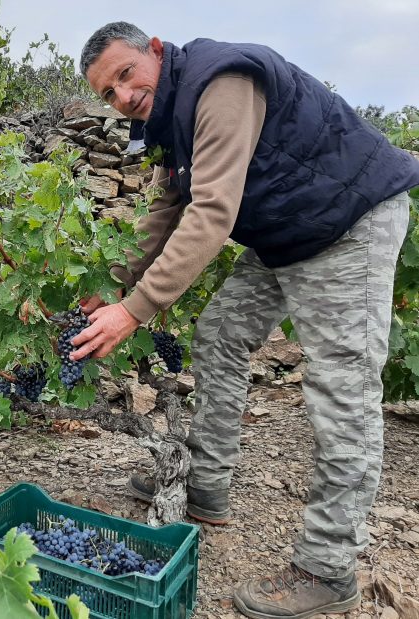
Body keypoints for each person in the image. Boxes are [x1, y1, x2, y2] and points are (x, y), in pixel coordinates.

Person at [73, 22, 419, 619]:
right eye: (108, 93)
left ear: (155, 51)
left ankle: (328, 568)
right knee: (220, 335)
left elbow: (211, 211)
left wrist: (133, 311)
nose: (124, 96)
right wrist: (112, 285)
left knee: (342, 386)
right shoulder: (163, 119)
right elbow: (166, 209)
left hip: (349, 218)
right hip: (288, 230)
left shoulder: (221, 82)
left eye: (126, 75)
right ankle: (206, 482)